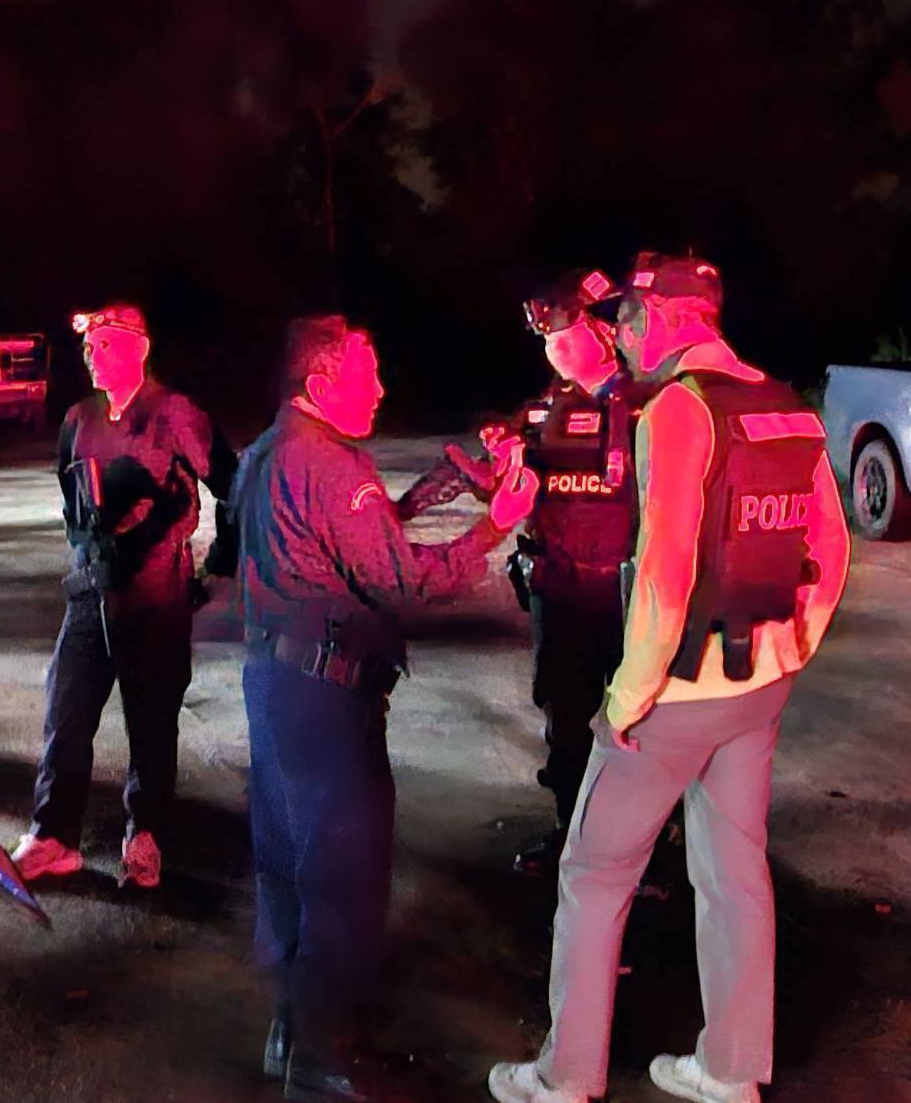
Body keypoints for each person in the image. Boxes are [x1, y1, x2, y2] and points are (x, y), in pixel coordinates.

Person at [488, 254, 851, 1103]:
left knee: (593, 872)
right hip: (758, 686)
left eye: (629, 318)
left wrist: (625, 699)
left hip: (678, 690)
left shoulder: (680, 409)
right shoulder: (786, 404)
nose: (620, 333)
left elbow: (662, 572)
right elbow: (830, 547)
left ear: (669, 317)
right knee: (733, 875)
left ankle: (565, 1076)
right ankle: (730, 1069)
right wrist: (795, 644)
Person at [237, 315, 538, 1102]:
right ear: (321, 382)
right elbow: (403, 582)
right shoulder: (331, 464)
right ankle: (323, 1057)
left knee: (287, 863)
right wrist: (495, 525)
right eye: (365, 375)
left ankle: (290, 1030)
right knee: (344, 876)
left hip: (274, 684)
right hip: (328, 698)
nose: (380, 389)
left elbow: (336, 546)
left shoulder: (268, 451)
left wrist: (430, 493)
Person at [11, 303, 238, 889]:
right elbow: (71, 497)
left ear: (141, 348)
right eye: (89, 348)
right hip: (90, 591)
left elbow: (233, 487)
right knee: (65, 712)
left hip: (155, 596)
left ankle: (145, 838)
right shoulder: (79, 418)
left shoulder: (175, 414)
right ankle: (54, 837)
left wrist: (220, 564)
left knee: (151, 722)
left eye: (106, 345)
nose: (93, 356)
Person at [508, 268, 648, 875]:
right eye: (546, 339)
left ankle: (646, 855)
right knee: (565, 721)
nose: (553, 349)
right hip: (559, 592)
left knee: (639, 726)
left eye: (562, 336)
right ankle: (572, 835)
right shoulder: (544, 409)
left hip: (630, 594)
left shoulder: (649, 404)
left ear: (600, 334)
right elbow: (505, 481)